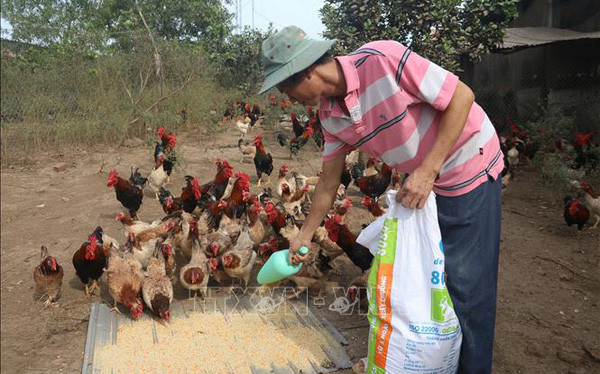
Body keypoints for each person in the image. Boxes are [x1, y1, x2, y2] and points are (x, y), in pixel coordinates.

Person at [259, 25, 503, 374]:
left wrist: (428, 170)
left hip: (468, 168)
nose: (288, 97)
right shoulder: (329, 116)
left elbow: (462, 96)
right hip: (423, 185)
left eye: (286, 86)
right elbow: (328, 183)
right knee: (429, 281)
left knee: (466, 288)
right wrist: (305, 233)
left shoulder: (382, 59)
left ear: (308, 69)